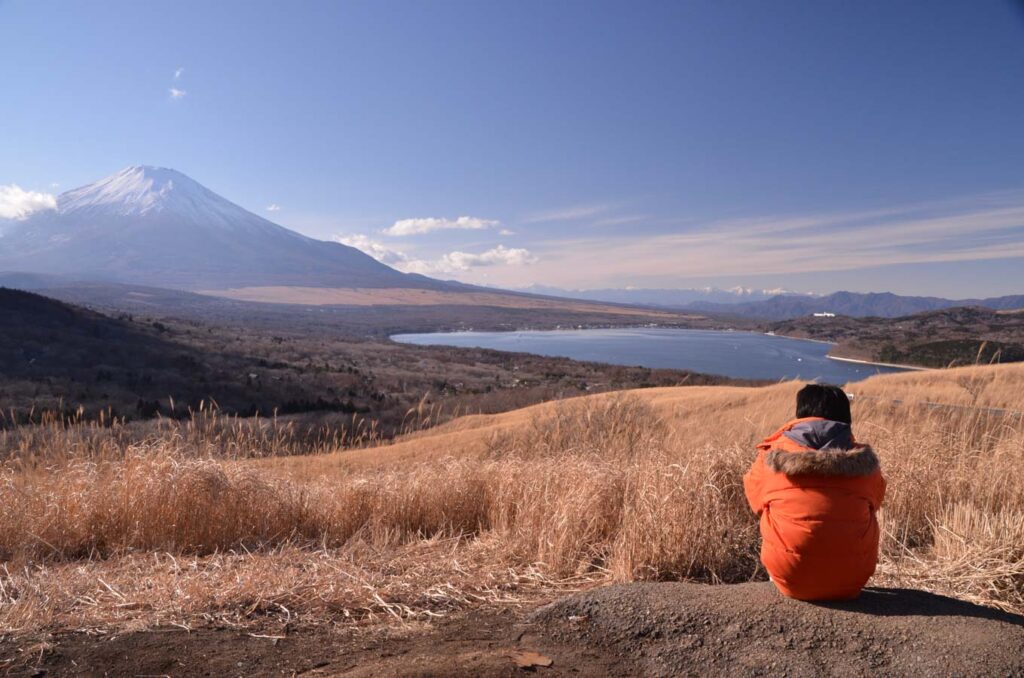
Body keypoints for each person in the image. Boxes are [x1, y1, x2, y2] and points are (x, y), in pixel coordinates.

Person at [743, 384, 886, 601]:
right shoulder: (866, 463)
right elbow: (877, 501)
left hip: (790, 578)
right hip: (851, 581)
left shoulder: (771, 456)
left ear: (800, 413)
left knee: (770, 506)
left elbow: (754, 502)